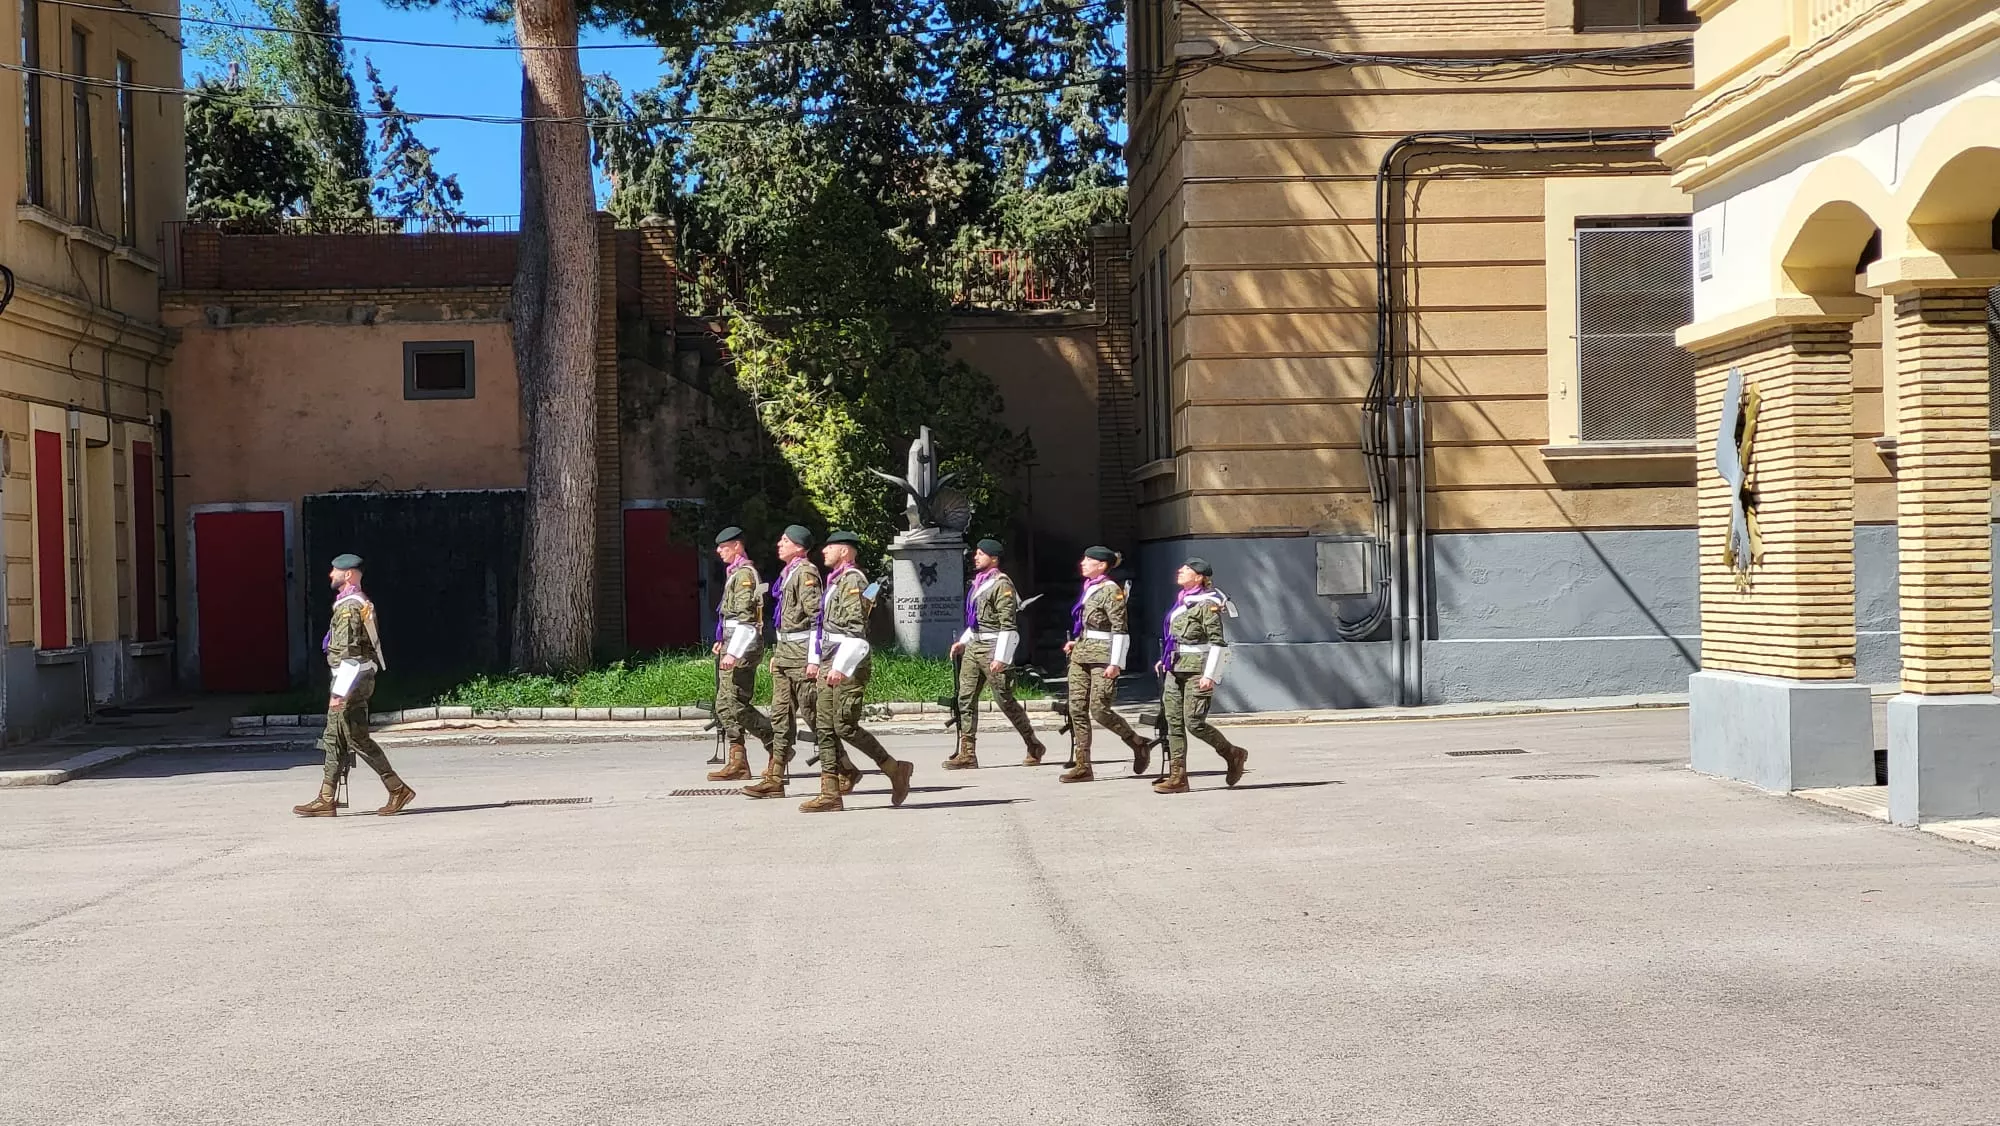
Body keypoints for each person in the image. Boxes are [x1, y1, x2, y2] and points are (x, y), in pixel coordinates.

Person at [292, 554, 416, 817]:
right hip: (353, 679)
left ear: (348, 574)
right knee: (334, 737)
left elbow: (349, 653)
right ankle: (326, 798)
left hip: (351, 680)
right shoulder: (354, 603)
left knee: (355, 736)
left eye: (335, 571)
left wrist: (339, 691)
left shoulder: (349, 608)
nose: (330, 575)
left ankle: (397, 788)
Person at [800, 531, 915, 813]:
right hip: (830, 659)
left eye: (831, 547)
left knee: (844, 725)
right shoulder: (835, 582)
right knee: (825, 728)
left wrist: (840, 667)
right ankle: (830, 793)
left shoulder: (853, 580)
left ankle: (893, 768)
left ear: (846, 552)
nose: (824, 551)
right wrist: (817, 660)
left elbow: (855, 629)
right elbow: (823, 628)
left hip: (847, 661)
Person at [744, 524, 861, 799]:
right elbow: (785, 621)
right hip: (787, 653)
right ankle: (774, 777)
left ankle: (845, 768)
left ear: (798, 546)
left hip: (801, 656)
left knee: (812, 715)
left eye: (785, 540)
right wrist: (778, 652)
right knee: (780, 714)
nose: (779, 544)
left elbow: (814, 618)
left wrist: (813, 658)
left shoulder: (806, 572)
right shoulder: (789, 573)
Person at [945, 538, 1047, 770]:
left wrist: (1002, 657)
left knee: (1004, 700)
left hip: (993, 648)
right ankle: (967, 753)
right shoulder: (979, 582)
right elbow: (977, 621)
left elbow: (1008, 625)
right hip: (975, 647)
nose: (976, 557)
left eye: (981, 554)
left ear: (994, 558)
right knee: (965, 698)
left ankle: (1033, 743)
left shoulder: (1002, 584)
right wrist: (962, 642)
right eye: (977, 553)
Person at [1153, 558, 1248, 794]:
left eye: (1186, 570)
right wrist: (1166, 658)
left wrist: (1210, 675)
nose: (1180, 571)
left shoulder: (1207, 604)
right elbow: (1175, 637)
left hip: (1198, 670)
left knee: (1194, 723)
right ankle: (1178, 778)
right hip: (1175, 668)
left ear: (1199, 577)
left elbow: (1218, 643)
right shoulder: (1182, 602)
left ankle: (1232, 753)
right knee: (1174, 723)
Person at [1060, 546, 1152, 783]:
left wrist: (1116, 663)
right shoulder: (1089, 588)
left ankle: (1137, 742)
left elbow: (1120, 629)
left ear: (1101, 566)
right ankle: (1083, 765)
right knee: (1076, 709)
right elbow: (1088, 624)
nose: (1082, 563)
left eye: (1088, 560)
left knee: (1099, 709)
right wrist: (1075, 642)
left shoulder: (1111, 591)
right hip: (1081, 655)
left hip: (1103, 657)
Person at [707, 527, 777, 782]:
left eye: (724, 546)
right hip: (732, 644)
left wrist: (734, 652)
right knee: (723, 705)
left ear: (737, 546)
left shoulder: (745, 574)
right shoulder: (734, 573)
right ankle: (738, 761)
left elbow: (746, 619)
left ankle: (777, 745)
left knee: (736, 703)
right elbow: (731, 617)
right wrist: (722, 641)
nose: (719, 551)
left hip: (743, 648)